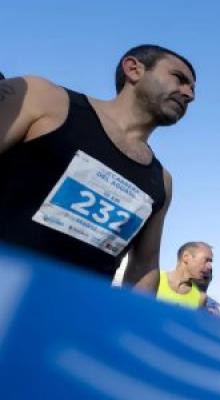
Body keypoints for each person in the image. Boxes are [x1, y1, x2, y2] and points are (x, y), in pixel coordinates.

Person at [0, 45, 196, 291]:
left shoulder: (162, 181)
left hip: (70, 319)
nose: (189, 94)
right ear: (133, 69)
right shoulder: (43, 100)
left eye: (192, 89)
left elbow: (143, 266)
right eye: (179, 79)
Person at [156, 242, 212, 309]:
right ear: (186, 257)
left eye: (210, 262)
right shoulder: (155, 279)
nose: (210, 267)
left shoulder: (201, 298)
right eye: (206, 260)